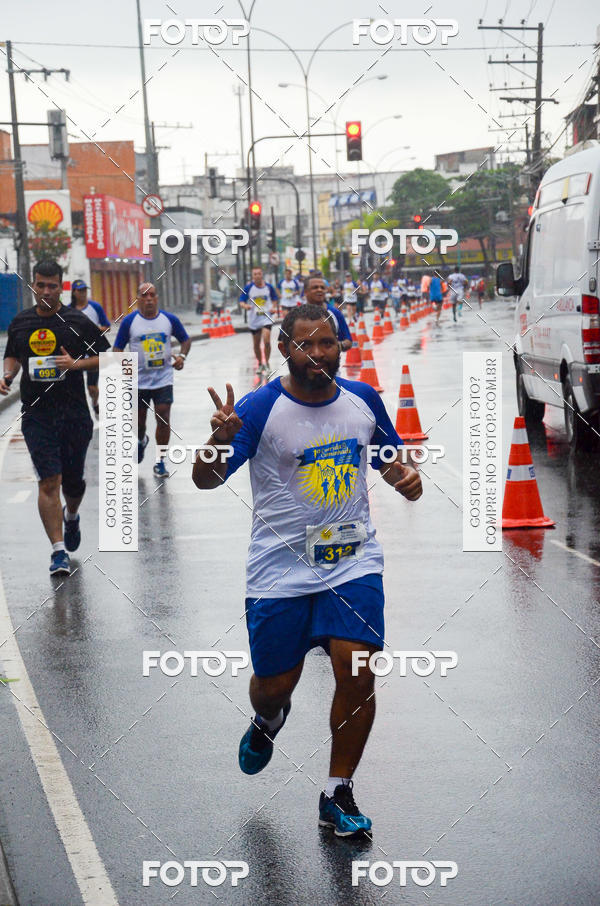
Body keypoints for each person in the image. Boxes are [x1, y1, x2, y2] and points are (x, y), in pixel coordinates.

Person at [192, 303, 423, 838]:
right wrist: (217, 443)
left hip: (353, 562)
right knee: (274, 686)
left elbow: (390, 457)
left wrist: (405, 478)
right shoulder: (259, 408)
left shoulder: (362, 400)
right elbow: (205, 480)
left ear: (341, 345)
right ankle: (269, 718)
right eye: (305, 345)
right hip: (279, 573)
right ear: (284, 350)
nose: (317, 355)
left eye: (327, 344)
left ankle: (336, 791)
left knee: (358, 668)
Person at [1, 259, 111, 575]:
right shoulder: (21, 323)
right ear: (33, 285)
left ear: (60, 287)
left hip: (75, 414)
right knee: (49, 480)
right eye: (40, 285)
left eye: (52, 286)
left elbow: (110, 357)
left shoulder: (77, 321)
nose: (46, 291)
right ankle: (58, 551)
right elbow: (13, 354)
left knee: (73, 483)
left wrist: (76, 365)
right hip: (37, 415)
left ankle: (72, 516)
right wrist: (7, 375)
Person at [113, 282, 191, 478]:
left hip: (163, 379)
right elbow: (117, 349)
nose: (148, 299)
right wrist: (124, 367)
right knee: (139, 423)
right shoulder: (129, 322)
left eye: (152, 295)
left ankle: (160, 461)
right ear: (137, 299)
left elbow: (185, 340)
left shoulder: (169, 319)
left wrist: (182, 357)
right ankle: (140, 441)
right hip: (138, 381)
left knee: (163, 418)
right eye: (144, 295)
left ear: (157, 298)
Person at [69, 278, 110, 418]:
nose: (83, 293)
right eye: (80, 291)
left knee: (92, 386)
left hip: (94, 350)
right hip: (75, 351)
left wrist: (96, 330)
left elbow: (107, 326)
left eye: (85, 290)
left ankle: (95, 401)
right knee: (76, 385)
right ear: (74, 292)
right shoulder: (68, 310)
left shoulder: (95, 307)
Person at [239, 267, 278, 374]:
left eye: (259, 273)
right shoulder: (248, 288)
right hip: (254, 319)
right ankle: (260, 364)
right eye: (255, 274)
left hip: (266, 318)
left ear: (262, 275)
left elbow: (274, 299)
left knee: (266, 341)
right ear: (252, 276)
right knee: (256, 344)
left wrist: (273, 307)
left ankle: (267, 363)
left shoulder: (269, 287)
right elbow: (241, 300)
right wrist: (245, 306)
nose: (257, 276)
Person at [303, 275, 352, 352]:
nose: (320, 290)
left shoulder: (335, 313)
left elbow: (348, 341)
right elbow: (283, 343)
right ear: (305, 292)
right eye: (315, 287)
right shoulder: (295, 315)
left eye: (322, 288)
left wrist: (336, 346)